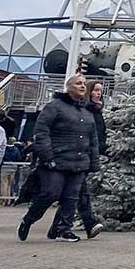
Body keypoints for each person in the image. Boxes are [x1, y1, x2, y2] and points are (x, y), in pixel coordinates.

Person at [17, 74, 100, 243]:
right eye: (78, 84)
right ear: (69, 87)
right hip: (57, 159)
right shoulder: (55, 106)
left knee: (72, 197)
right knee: (50, 193)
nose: (83, 86)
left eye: (84, 83)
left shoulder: (87, 111)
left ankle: (64, 229)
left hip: (79, 161)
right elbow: (41, 131)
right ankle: (29, 219)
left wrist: (93, 162)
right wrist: (47, 156)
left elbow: (93, 139)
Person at [47, 79, 107, 240]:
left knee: (74, 193)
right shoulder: (84, 110)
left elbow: (98, 135)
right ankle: (88, 222)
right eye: (95, 90)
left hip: (86, 156)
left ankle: (57, 228)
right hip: (77, 156)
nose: (98, 93)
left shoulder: (96, 110)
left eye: (100, 90)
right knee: (77, 192)